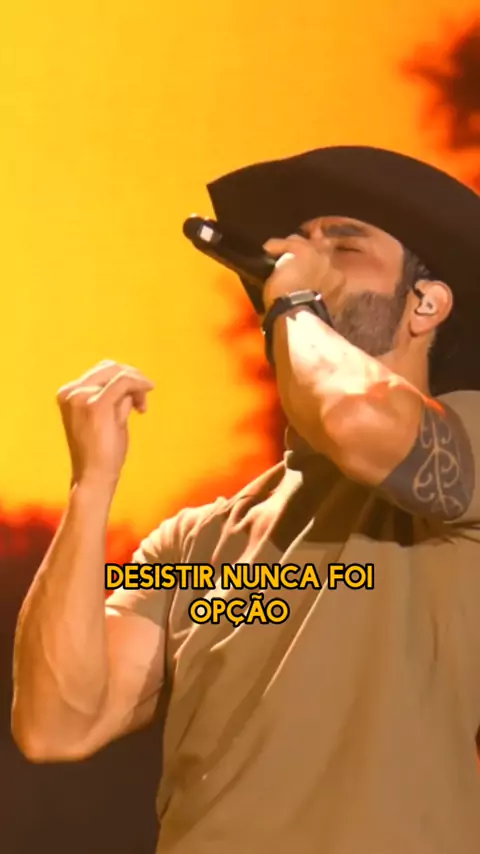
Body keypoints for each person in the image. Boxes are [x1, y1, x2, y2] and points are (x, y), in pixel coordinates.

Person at [11, 145, 480, 854]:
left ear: (426, 304)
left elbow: (356, 421)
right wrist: (91, 486)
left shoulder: (465, 445)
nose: (302, 257)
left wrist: (297, 299)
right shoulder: (196, 543)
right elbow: (57, 724)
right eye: (298, 245)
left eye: (344, 245)